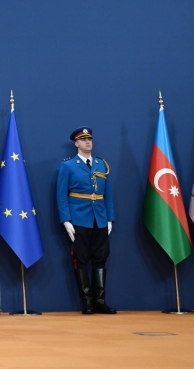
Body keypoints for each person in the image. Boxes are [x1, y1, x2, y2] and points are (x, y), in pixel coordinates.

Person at [57, 127, 116, 314]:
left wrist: (110, 218)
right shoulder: (68, 166)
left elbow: (107, 194)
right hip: (79, 218)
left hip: (100, 218)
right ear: (76, 144)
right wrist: (66, 220)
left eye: (89, 139)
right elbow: (61, 195)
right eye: (83, 140)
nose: (87, 142)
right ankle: (87, 302)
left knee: (101, 258)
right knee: (81, 258)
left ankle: (100, 301)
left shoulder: (101, 164)